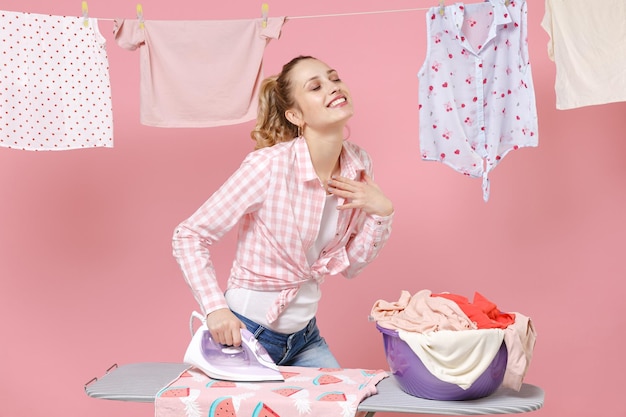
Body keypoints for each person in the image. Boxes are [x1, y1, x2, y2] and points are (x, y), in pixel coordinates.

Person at [172, 55, 394, 368]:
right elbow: (189, 235)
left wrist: (382, 211)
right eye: (316, 87)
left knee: (353, 408)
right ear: (295, 115)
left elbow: (351, 266)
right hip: (246, 333)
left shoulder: (359, 165)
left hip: (304, 337)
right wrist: (215, 309)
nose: (333, 87)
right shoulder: (270, 166)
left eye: (334, 78)